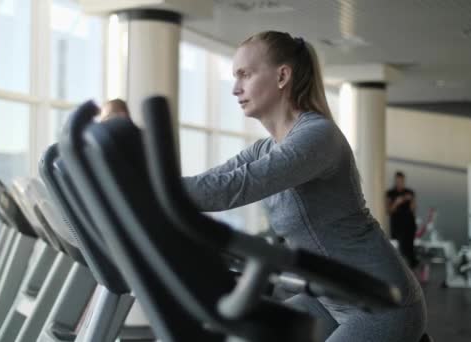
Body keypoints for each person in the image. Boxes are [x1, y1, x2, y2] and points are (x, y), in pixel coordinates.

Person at [182, 31, 426, 342]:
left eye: (245, 74)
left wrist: (150, 190)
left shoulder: (317, 136)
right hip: (327, 298)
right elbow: (214, 181)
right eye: (234, 76)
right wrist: (150, 187)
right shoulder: (264, 149)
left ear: (283, 75)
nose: (235, 89)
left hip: (379, 302)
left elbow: (235, 187)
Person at [386, 171, 418, 268]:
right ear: (395, 181)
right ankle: (399, 269)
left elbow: (413, 209)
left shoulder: (409, 192)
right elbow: (389, 211)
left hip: (409, 224)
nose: (400, 183)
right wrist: (397, 202)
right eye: (398, 181)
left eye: (402, 181)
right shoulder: (390, 193)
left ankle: (411, 269)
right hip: (397, 225)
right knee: (398, 249)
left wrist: (411, 200)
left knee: (410, 249)